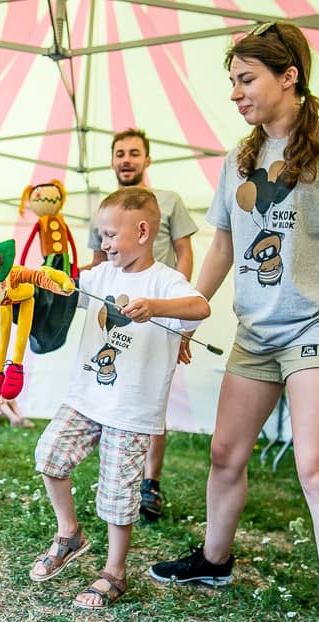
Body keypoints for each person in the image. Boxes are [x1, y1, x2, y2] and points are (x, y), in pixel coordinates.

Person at [147, 22, 319, 622]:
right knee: (225, 453)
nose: (235, 93)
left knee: (315, 468)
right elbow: (222, 245)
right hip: (255, 331)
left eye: (246, 79)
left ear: (290, 76)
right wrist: (188, 313)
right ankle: (215, 561)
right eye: (233, 81)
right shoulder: (238, 157)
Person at [30, 187, 209, 610]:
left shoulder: (165, 280)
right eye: (101, 235)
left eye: (110, 235)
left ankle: (114, 573)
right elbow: (64, 288)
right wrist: (30, 281)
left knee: (117, 496)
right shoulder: (99, 276)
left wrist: (157, 307)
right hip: (85, 399)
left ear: (143, 232)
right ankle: (69, 533)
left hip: (131, 411)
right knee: (49, 456)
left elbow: (200, 308)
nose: (104, 244)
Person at [87, 129, 201, 521]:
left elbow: (185, 253)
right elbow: (98, 262)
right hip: (117, 312)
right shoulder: (105, 209)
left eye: (134, 153)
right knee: (113, 388)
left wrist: (175, 314)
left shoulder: (168, 202)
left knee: (150, 395)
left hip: (156, 312)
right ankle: (115, 474)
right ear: (112, 160)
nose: (126, 159)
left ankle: (150, 482)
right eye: (120, 153)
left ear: (147, 160)